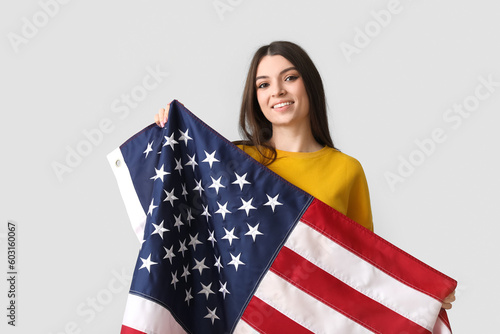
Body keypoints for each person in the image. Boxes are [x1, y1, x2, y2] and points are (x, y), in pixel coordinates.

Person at [154, 40, 455, 309]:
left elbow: (365, 268)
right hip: (249, 318)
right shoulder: (236, 160)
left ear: (308, 84)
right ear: (255, 98)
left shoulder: (346, 170)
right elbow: (180, 216)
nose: (278, 91)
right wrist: (169, 133)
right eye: (264, 85)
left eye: (289, 78)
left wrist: (422, 294)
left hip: (314, 319)